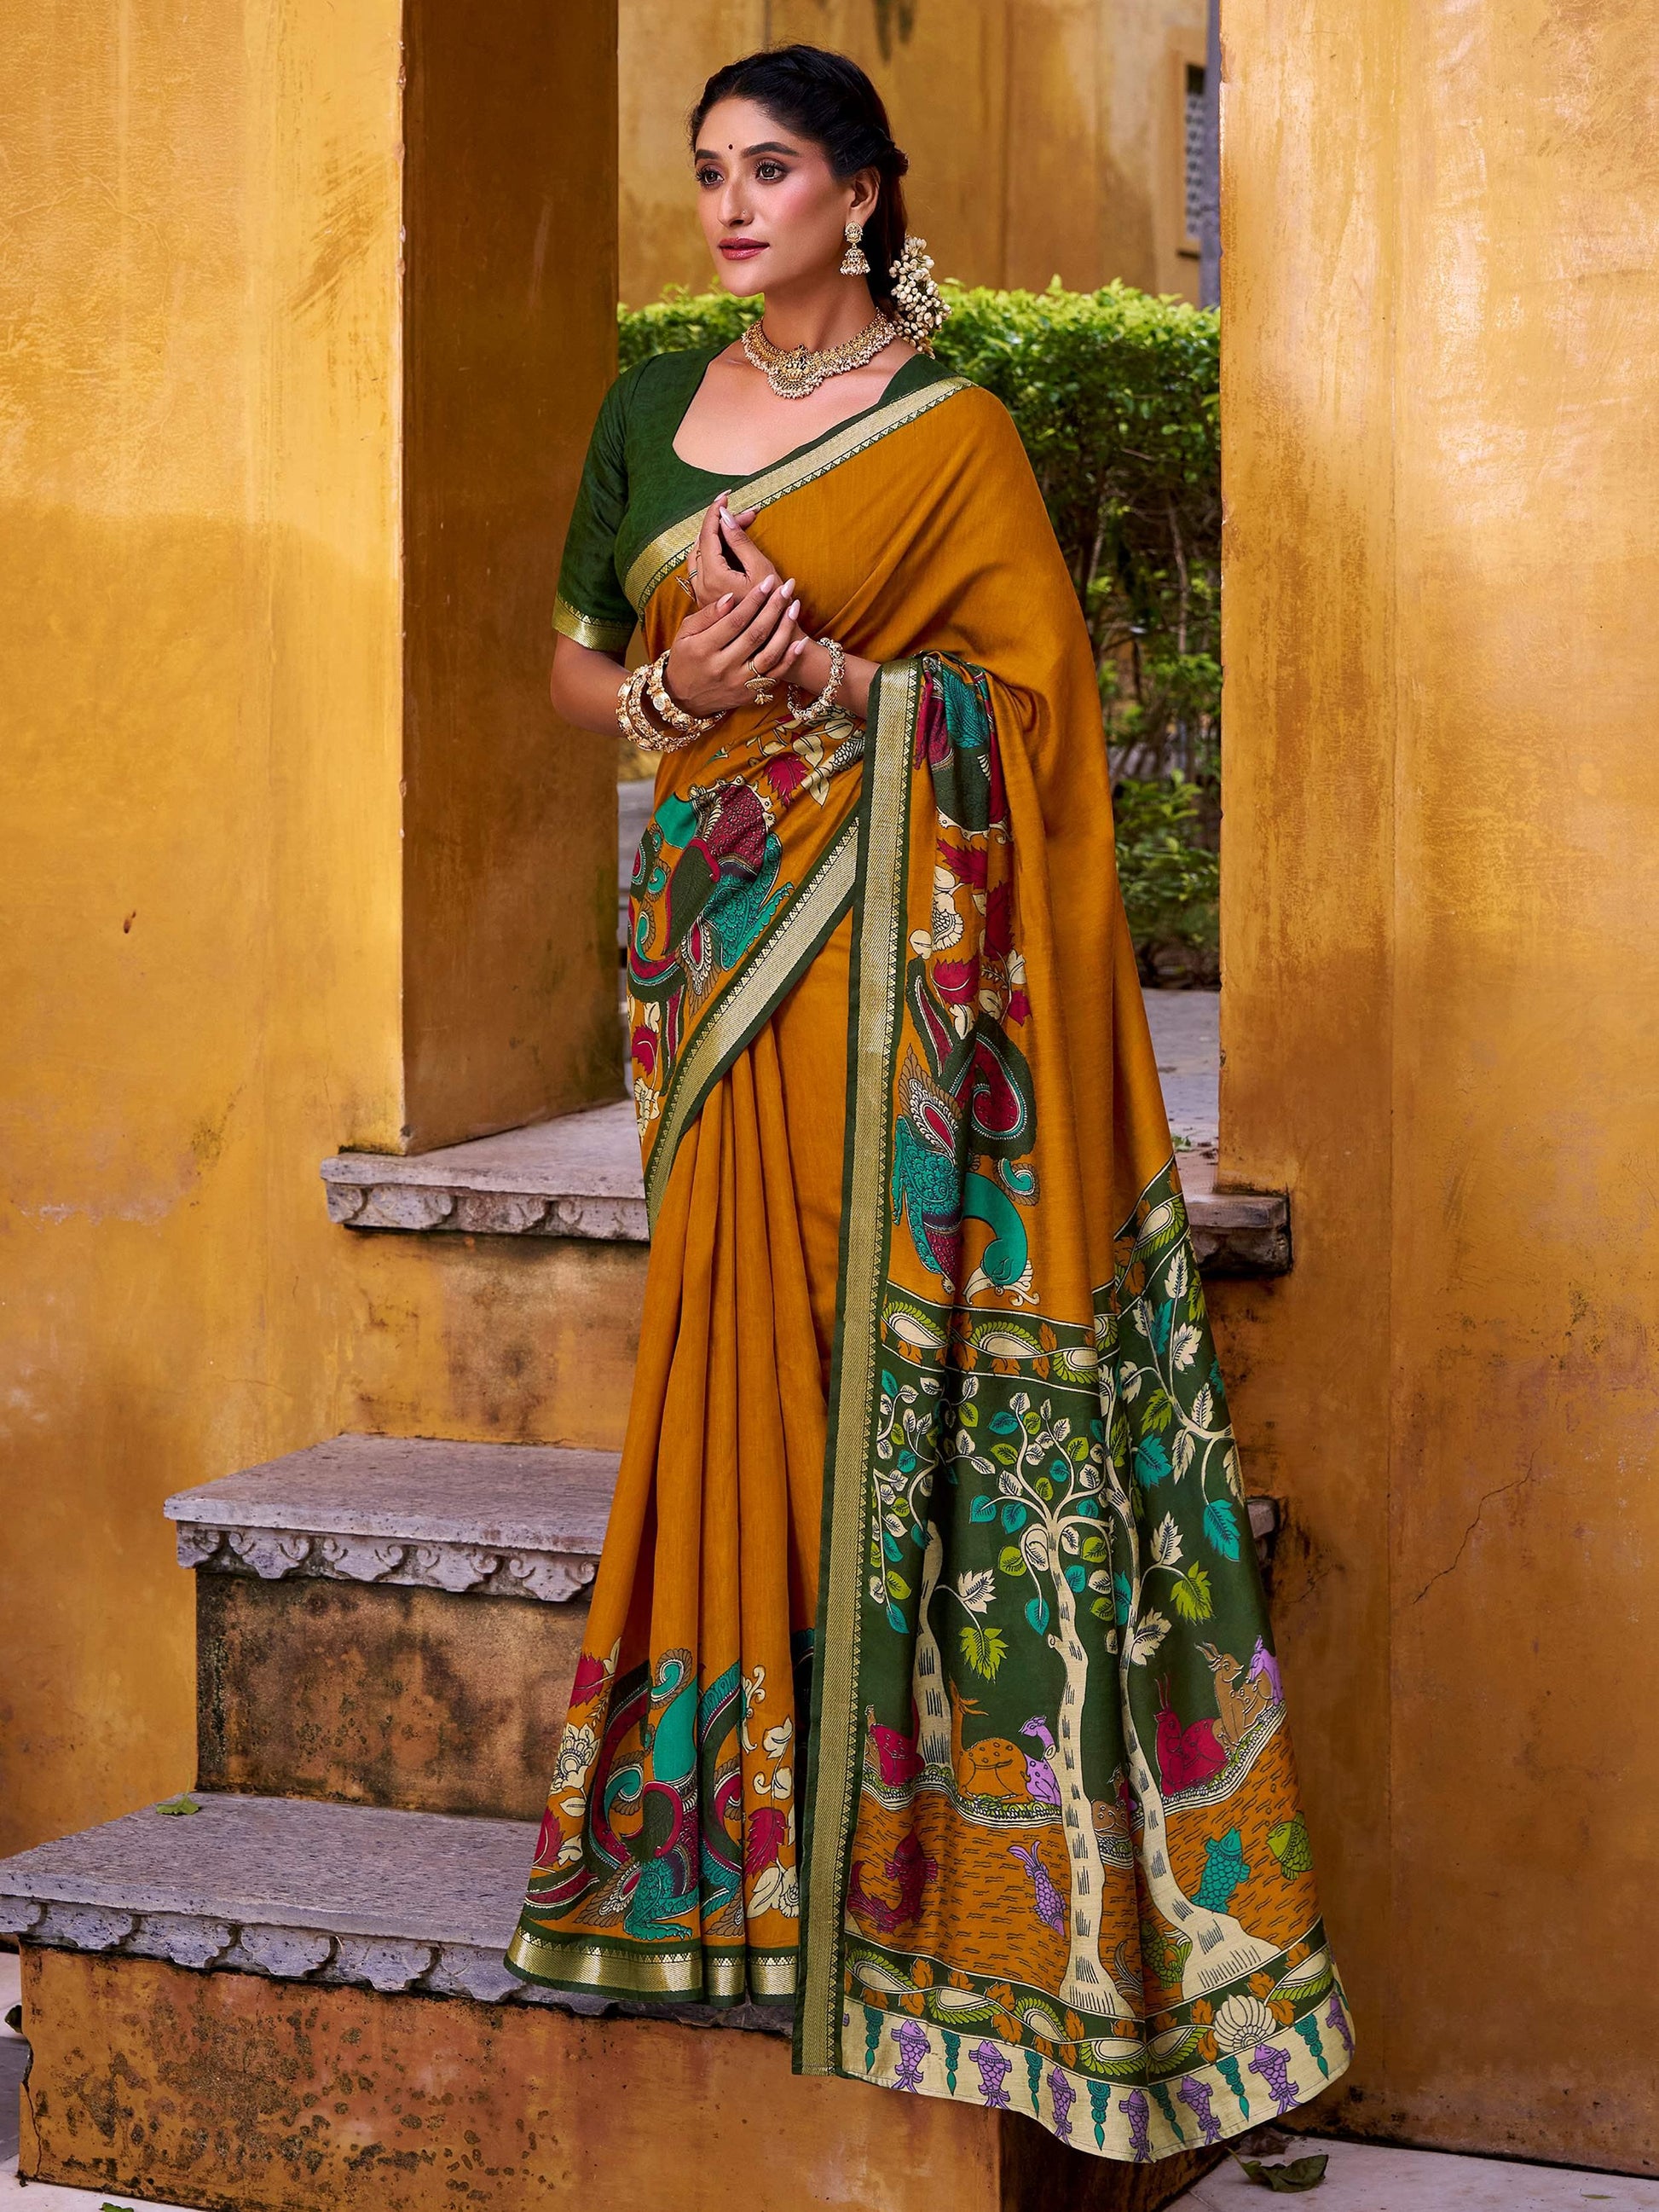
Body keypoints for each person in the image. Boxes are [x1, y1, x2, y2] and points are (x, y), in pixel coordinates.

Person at [506, 43, 1352, 2161]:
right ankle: (724, 1840)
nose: (727, 205)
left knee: (851, 1335)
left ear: (863, 194)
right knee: (729, 1352)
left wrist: (837, 686)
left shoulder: (953, 433)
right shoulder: (645, 413)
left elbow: (1033, 714)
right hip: (715, 954)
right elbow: (575, 666)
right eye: (707, 171)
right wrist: (674, 692)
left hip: (898, 969)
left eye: (769, 168)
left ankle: (911, 1852)